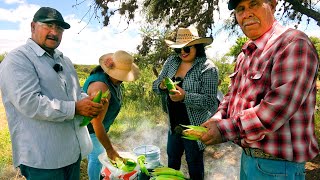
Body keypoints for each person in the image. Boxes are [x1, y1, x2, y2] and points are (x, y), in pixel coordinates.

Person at [200, 0, 320, 179]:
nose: (246, 13)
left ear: (272, 5)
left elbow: (275, 110)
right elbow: (231, 95)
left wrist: (223, 130)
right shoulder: (245, 54)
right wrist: (218, 119)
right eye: (240, 9)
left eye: (254, 4)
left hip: (278, 166)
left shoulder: (292, 43)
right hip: (249, 158)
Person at [0, 7, 106, 179]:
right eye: (48, 25)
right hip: (43, 159)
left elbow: (76, 93)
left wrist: (90, 101)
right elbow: (30, 103)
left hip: (72, 153)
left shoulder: (65, 60)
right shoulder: (18, 59)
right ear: (33, 26)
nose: (54, 32)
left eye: (59, 28)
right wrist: (76, 108)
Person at [152, 26, 219, 180]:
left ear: (198, 47)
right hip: (173, 125)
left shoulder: (208, 68)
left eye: (187, 48)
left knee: (194, 164)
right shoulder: (171, 62)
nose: (182, 52)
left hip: (195, 127)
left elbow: (210, 102)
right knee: (172, 163)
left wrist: (185, 97)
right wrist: (161, 86)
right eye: (179, 49)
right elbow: (155, 86)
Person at [82, 50, 140, 179]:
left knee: (97, 156)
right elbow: (96, 123)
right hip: (91, 131)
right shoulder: (101, 87)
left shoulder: (112, 80)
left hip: (97, 129)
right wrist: (109, 149)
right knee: (97, 157)